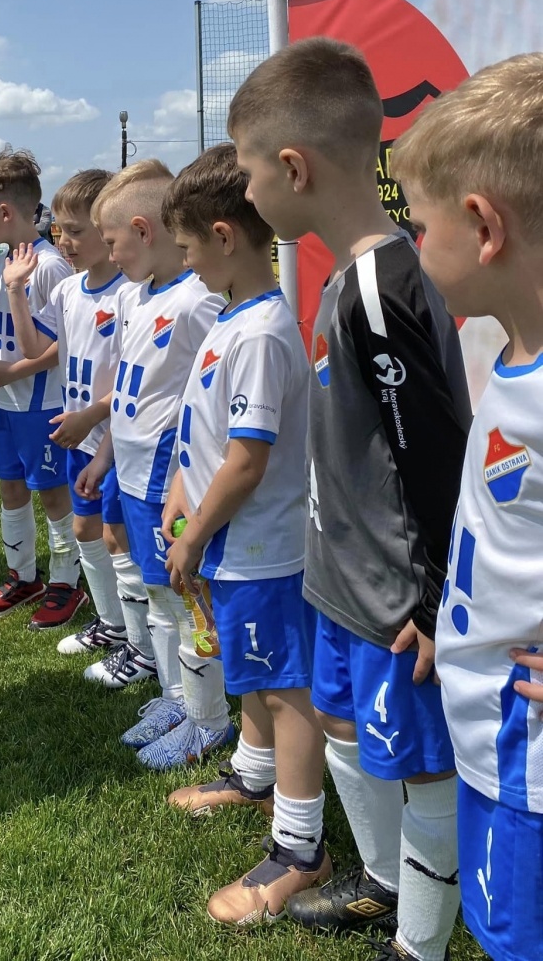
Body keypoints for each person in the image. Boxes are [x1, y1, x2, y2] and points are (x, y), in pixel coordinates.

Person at [232, 37, 471, 961]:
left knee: (419, 767)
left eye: (251, 173)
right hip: (340, 575)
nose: (246, 195)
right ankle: (378, 882)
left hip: (392, 595)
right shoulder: (347, 276)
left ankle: (420, 943)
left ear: (294, 167)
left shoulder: (382, 281)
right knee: (340, 725)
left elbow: (432, 446)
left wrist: (434, 594)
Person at [392, 53, 543, 961]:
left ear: (482, 226)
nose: (415, 246)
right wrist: (451, 618)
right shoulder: (512, 355)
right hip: (489, 736)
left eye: (420, 225)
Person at [159, 146, 330, 924]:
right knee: (253, 673)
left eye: (189, 248)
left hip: (263, 548)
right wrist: (178, 493)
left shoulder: (260, 331)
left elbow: (249, 460)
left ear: (225, 237)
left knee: (285, 688)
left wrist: (195, 535)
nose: (185, 262)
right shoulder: (232, 319)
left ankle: (300, 846)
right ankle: (253, 777)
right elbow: (209, 437)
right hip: (235, 543)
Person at [78, 159, 227, 760]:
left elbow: (210, 396)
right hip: (135, 476)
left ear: (143, 231)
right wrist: (108, 454)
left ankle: (209, 717)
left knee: (187, 596)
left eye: (111, 241)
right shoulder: (140, 296)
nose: (109, 255)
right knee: (160, 594)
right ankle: (176, 697)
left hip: (171, 480)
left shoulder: (200, 300)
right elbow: (133, 390)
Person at [2, 170, 155, 681]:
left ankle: (145, 640)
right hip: (81, 435)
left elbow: (141, 378)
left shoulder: (131, 295)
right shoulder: (67, 291)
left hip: (116, 437)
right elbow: (32, 349)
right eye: (59, 229)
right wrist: (17, 292)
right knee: (87, 528)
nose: (63, 241)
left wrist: (93, 413)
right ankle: (112, 623)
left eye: (76, 231)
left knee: (121, 538)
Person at [0, 148, 85, 630]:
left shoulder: (49, 266)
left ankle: (65, 583)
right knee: (10, 486)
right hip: (8, 402)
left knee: (53, 494)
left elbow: (59, 343)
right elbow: (17, 327)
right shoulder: (7, 263)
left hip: (42, 403)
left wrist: (11, 372)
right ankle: (23, 576)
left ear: (6, 211)